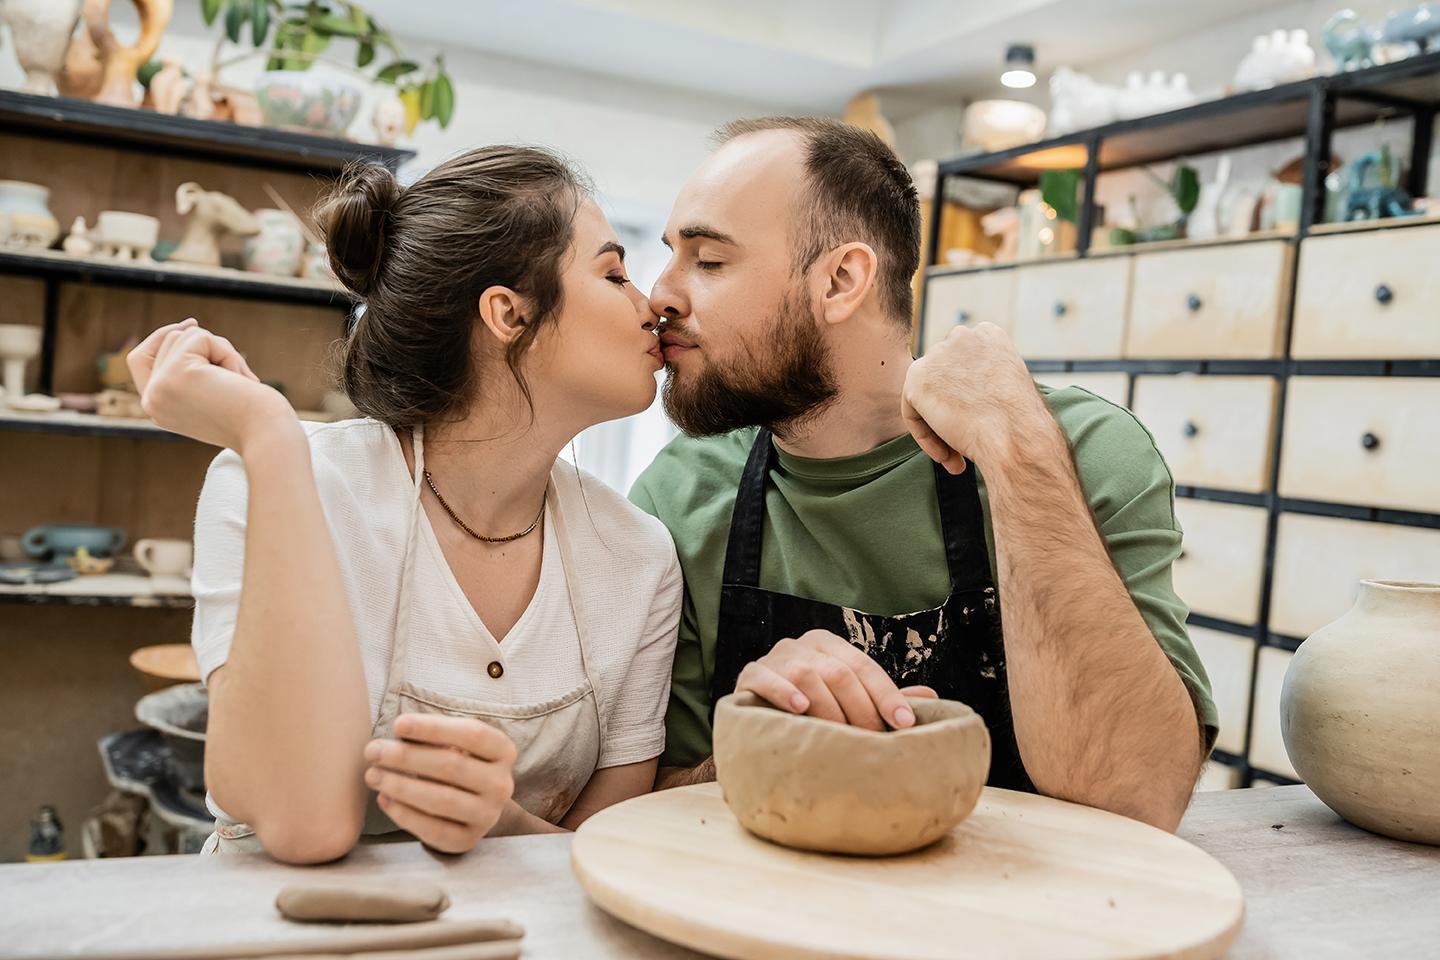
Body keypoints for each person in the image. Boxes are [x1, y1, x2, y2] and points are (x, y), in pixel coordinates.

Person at [630, 117, 1217, 831]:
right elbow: (648, 812)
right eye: (670, 257)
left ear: (841, 281)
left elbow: (1139, 799)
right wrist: (763, 733)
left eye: (709, 261)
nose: (658, 294)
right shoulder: (678, 494)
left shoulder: (1082, 451)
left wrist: (1018, 450)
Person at [128, 146, 682, 863]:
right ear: (509, 314)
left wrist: (501, 823)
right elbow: (303, 826)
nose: (654, 306)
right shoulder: (273, 480)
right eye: (614, 274)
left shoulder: (639, 555)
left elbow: (613, 858)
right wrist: (267, 434)